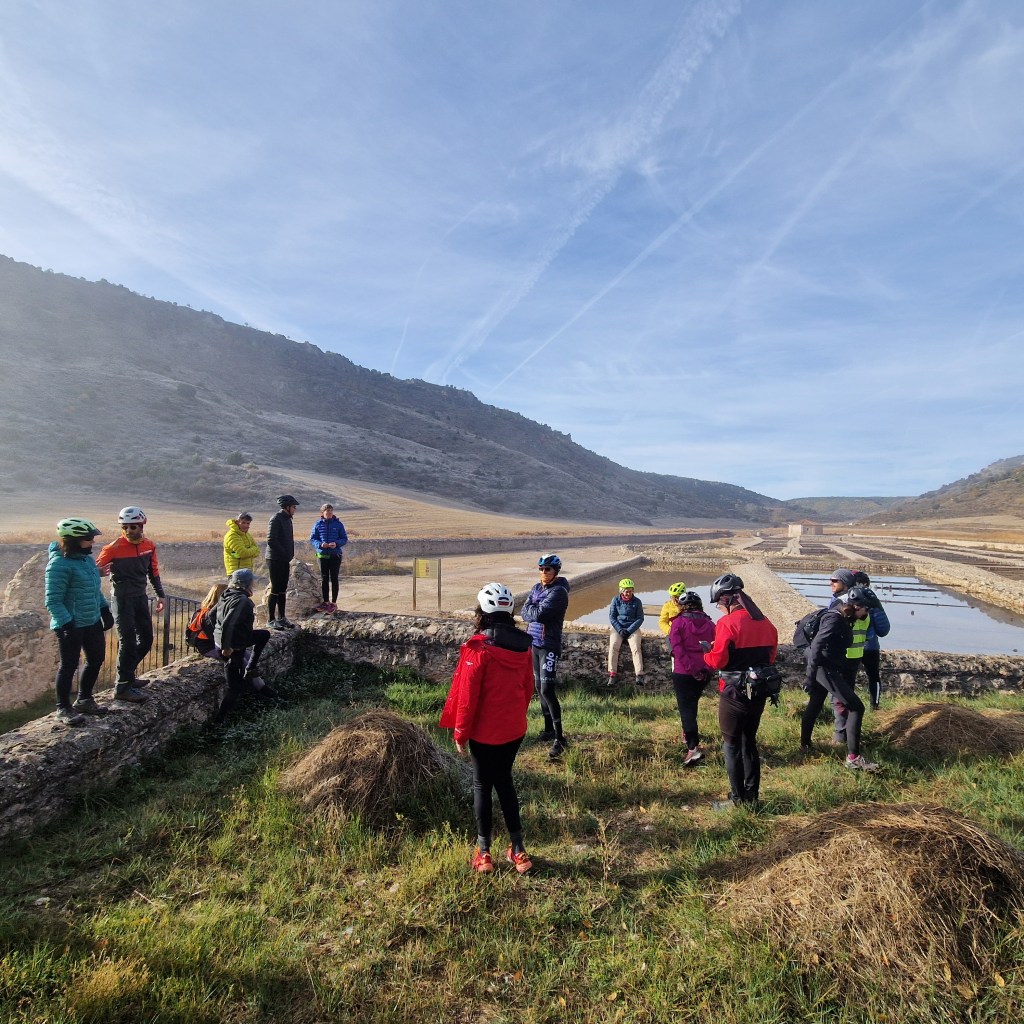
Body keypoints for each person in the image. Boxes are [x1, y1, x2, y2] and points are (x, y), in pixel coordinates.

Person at [439, 583, 535, 874]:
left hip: (484, 732)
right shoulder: (524, 645)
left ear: (481, 612)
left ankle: (484, 854)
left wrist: (460, 733)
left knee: (482, 784)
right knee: (504, 782)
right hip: (513, 729)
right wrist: (514, 717)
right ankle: (518, 851)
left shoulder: (478, 648)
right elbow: (527, 688)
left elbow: (467, 698)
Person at [702, 573, 779, 808]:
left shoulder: (727, 624)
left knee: (731, 744)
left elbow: (718, 661)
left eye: (718, 603)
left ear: (726, 600)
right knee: (749, 742)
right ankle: (752, 796)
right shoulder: (766, 622)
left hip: (733, 692)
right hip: (759, 691)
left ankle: (736, 800)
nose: (718, 608)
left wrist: (707, 652)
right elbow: (771, 657)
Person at [800, 588, 879, 771]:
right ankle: (853, 758)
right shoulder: (834, 619)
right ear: (857, 606)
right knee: (856, 707)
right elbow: (817, 645)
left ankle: (805, 746)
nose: (867, 614)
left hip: (827, 666)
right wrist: (810, 677)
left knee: (816, 702)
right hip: (823, 667)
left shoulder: (846, 617)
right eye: (866, 609)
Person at [44, 518, 114, 724]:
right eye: (89, 538)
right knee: (69, 666)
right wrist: (67, 624)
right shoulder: (58, 564)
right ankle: (63, 708)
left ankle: (84, 700)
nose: (93, 541)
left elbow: (93, 589)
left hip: (91, 619)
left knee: (96, 659)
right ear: (74, 540)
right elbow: (53, 601)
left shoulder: (86, 560)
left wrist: (104, 609)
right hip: (71, 624)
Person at [95, 505, 165, 703]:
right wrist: (99, 570)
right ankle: (122, 687)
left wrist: (160, 595)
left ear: (142, 526)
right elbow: (93, 570)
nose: (128, 530)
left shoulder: (149, 546)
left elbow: (153, 571)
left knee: (147, 639)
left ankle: (127, 676)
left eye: (133, 527)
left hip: (140, 597)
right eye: (124, 527)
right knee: (128, 642)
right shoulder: (112, 548)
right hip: (122, 599)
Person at [521, 553, 570, 760]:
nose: (543, 572)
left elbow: (539, 614)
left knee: (547, 689)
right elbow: (524, 612)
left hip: (549, 644)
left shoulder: (559, 592)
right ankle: (548, 729)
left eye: (547, 569)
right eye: (541, 569)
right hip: (534, 643)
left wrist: (533, 609)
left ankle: (560, 738)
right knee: (539, 688)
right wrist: (533, 609)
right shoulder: (536, 588)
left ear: (555, 571)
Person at [212, 568, 277, 723]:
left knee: (263, 635)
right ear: (246, 584)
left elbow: (210, 615)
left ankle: (251, 668)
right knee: (234, 688)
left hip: (227, 641)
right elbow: (229, 624)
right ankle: (218, 722)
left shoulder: (226, 594)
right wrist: (226, 647)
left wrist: (216, 636)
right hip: (233, 646)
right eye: (251, 582)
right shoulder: (243, 601)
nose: (253, 584)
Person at [668, 591, 716, 765]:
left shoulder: (678, 623)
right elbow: (716, 649)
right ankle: (687, 734)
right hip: (704, 671)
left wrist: (692, 670)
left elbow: (677, 650)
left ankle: (693, 748)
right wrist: (706, 670)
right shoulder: (711, 624)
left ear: (682, 607)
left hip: (684, 672)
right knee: (692, 703)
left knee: (686, 709)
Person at [852, 570, 891, 710]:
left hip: (850, 648)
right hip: (870, 647)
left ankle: (847, 706)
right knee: (873, 677)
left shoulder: (844, 601)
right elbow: (883, 630)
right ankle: (874, 705)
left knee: (847, 677)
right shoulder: (872, 603)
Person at [265, 495, 299, 629]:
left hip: (284, 559)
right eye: (294, 507)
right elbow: (271, 540)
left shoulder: (287, 519)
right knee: (275, 588)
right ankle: (271, 619)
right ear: (287, 507)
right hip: (275, 559)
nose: (295, 509)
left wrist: (290, 555)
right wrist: (284, 553)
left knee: (283, 589)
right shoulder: (276, 519)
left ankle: (282, 617)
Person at [309, 503, 348, 612]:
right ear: (323, 513)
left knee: (334, 578)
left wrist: (336, 543)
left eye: (331, 511)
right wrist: (321, 544)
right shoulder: (317, 524)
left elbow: (344, 538)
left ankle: (333, 603)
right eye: (327, 511)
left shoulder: (338, 524)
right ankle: (325, 602)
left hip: (335, 555)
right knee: (324, 579)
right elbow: (313, 539)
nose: (330, 513)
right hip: (322, 555)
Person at [607, 578, 645, 685]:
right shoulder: (615, 600)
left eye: (630, 591)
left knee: (636, 647)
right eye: (626, 591)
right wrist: (619, 629)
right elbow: (612, 617)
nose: (628, 593)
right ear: (621, 591)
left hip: (632, 628)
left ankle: (639, 674)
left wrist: (629, 630)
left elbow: (640, 618)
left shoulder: (637, 602)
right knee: (613, 646)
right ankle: (612, 674)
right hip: (618, 627)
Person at [186, 583, 228, 658]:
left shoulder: (205, 610)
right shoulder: (211, 614)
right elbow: (216, 636)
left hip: (207, 646)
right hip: (209, 648)